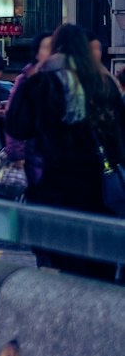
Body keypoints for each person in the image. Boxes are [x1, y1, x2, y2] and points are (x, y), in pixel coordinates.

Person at [7, 23, 125, 218]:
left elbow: (17, 126)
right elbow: (118, 130)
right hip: (93, 178)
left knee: (50, 236)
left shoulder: (40, 83)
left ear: (57, 47)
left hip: (49, 176)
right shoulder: (103, 84)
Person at [1, 33, 51, 188]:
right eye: (46, 48)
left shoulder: (62, 79)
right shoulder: (25, 80)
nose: (51, 53)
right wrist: (17, 154)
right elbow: (13, 119)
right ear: (36, 52)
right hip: (31, 154)